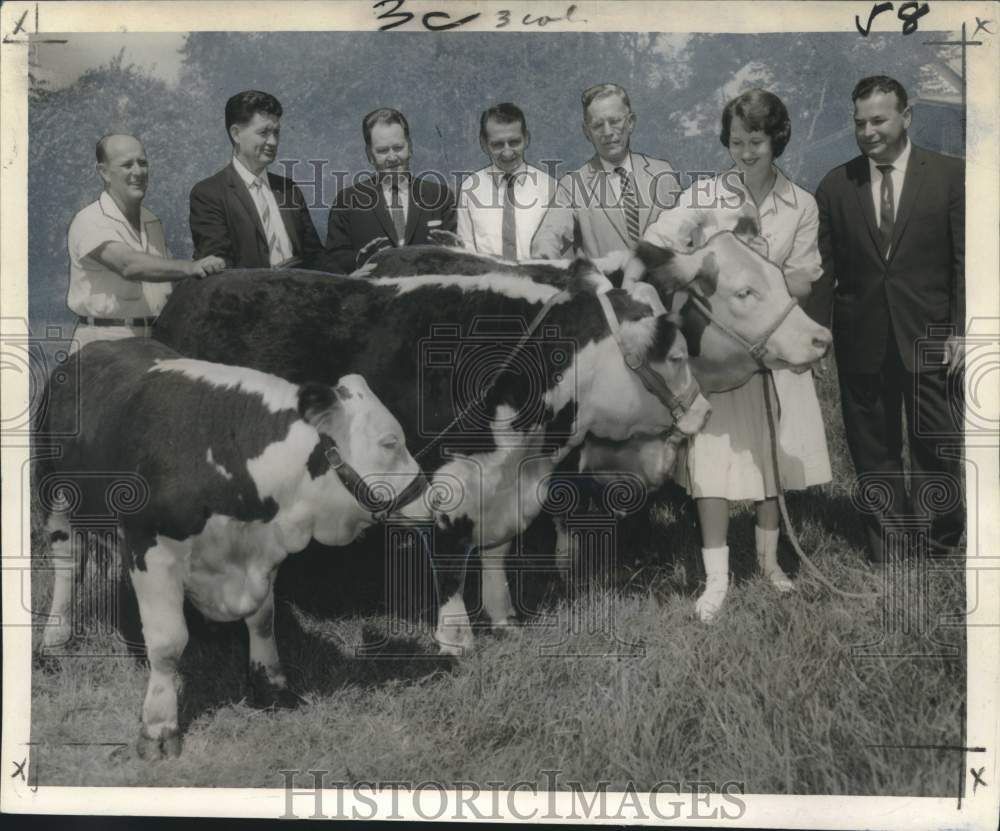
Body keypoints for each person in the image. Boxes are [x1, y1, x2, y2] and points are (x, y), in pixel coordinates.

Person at [641, 89, 832, 621]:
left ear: (778, 141)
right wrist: (700, 259)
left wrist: (763, 275)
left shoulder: (801, 204)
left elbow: (804, 275)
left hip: (774, 345)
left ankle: (771, 567)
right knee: (713, 466)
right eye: (737, 141)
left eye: (757, 141)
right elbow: (657, 242)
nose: (746, 152)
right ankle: (716, 580)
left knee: (772, 460)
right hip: (719, 356)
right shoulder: (706, 197)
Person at [811, 76, 964, 563]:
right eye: (860, 123)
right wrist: (817, 335)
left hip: (932, 338)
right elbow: (823, 273)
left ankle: (941, 544)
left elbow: (967, 261)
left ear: (907, 116)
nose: (869, 132)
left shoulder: (950, 175)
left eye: (879, 120)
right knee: (872, 451)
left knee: (936, 448)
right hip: (862, 342)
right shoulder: (836, 185)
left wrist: (963, 329)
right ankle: (891, 548)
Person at [67, 133, 225, 353]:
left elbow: (166, 280)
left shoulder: (151, 220)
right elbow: (129, 265)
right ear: (104, 172)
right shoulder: (89, 220)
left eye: (142, 163)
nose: (138, 172)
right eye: (126, 165)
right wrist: (190, 267)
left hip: (154, 342)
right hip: (103, 345)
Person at [531, 83, 680, 261]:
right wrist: (542, 264)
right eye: (598, 125)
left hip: (660, 288)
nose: (608, 132)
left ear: (630, 122)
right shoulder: (572, 186)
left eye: (615, 121)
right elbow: (549, 235)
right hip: (607, 287)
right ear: (587, 132)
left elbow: (687, 236)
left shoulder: (663, 173)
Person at [189, 90, 329, 270]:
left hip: (299, 293)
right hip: (247, 296)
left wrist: (350, 278)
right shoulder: (209, 194)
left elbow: (315, 255)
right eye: (264, 132)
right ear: (236, 134)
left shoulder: (288, 189)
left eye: (276, 133)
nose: (273, 142)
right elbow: (217, 264)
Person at [325, 108, 456, 272]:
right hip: (372, 296)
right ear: (369, 155)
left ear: (410, 147)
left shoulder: (440, 196)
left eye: (398, 147)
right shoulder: (347, 202)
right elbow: (334, 259)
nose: (392, 157)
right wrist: (359, 262)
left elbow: (456, 256)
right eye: (382, 151)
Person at [456, 103, 557, 260]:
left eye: (514, 142)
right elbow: (466, 250)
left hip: (535, 281)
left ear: (527, 139)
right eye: (497, 144)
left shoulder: (550, 187)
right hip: (488, 281)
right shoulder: (469, 188)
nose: (507, 152)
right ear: (484, 144)